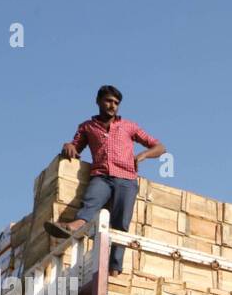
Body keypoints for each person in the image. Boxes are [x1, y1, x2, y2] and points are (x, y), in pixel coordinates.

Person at [46, 85, 166, 275]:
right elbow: (75, 147)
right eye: (108, 101)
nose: (112, 106)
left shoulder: (129, 126)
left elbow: (160, 147)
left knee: (121, 223)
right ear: (98, 101)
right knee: (91, 200)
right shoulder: (87, 127)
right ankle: (75, 226)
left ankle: (115, 267)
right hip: (101, 175)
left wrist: (142, 155)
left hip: (126, 178)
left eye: (116, 103)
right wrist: (68, 145)